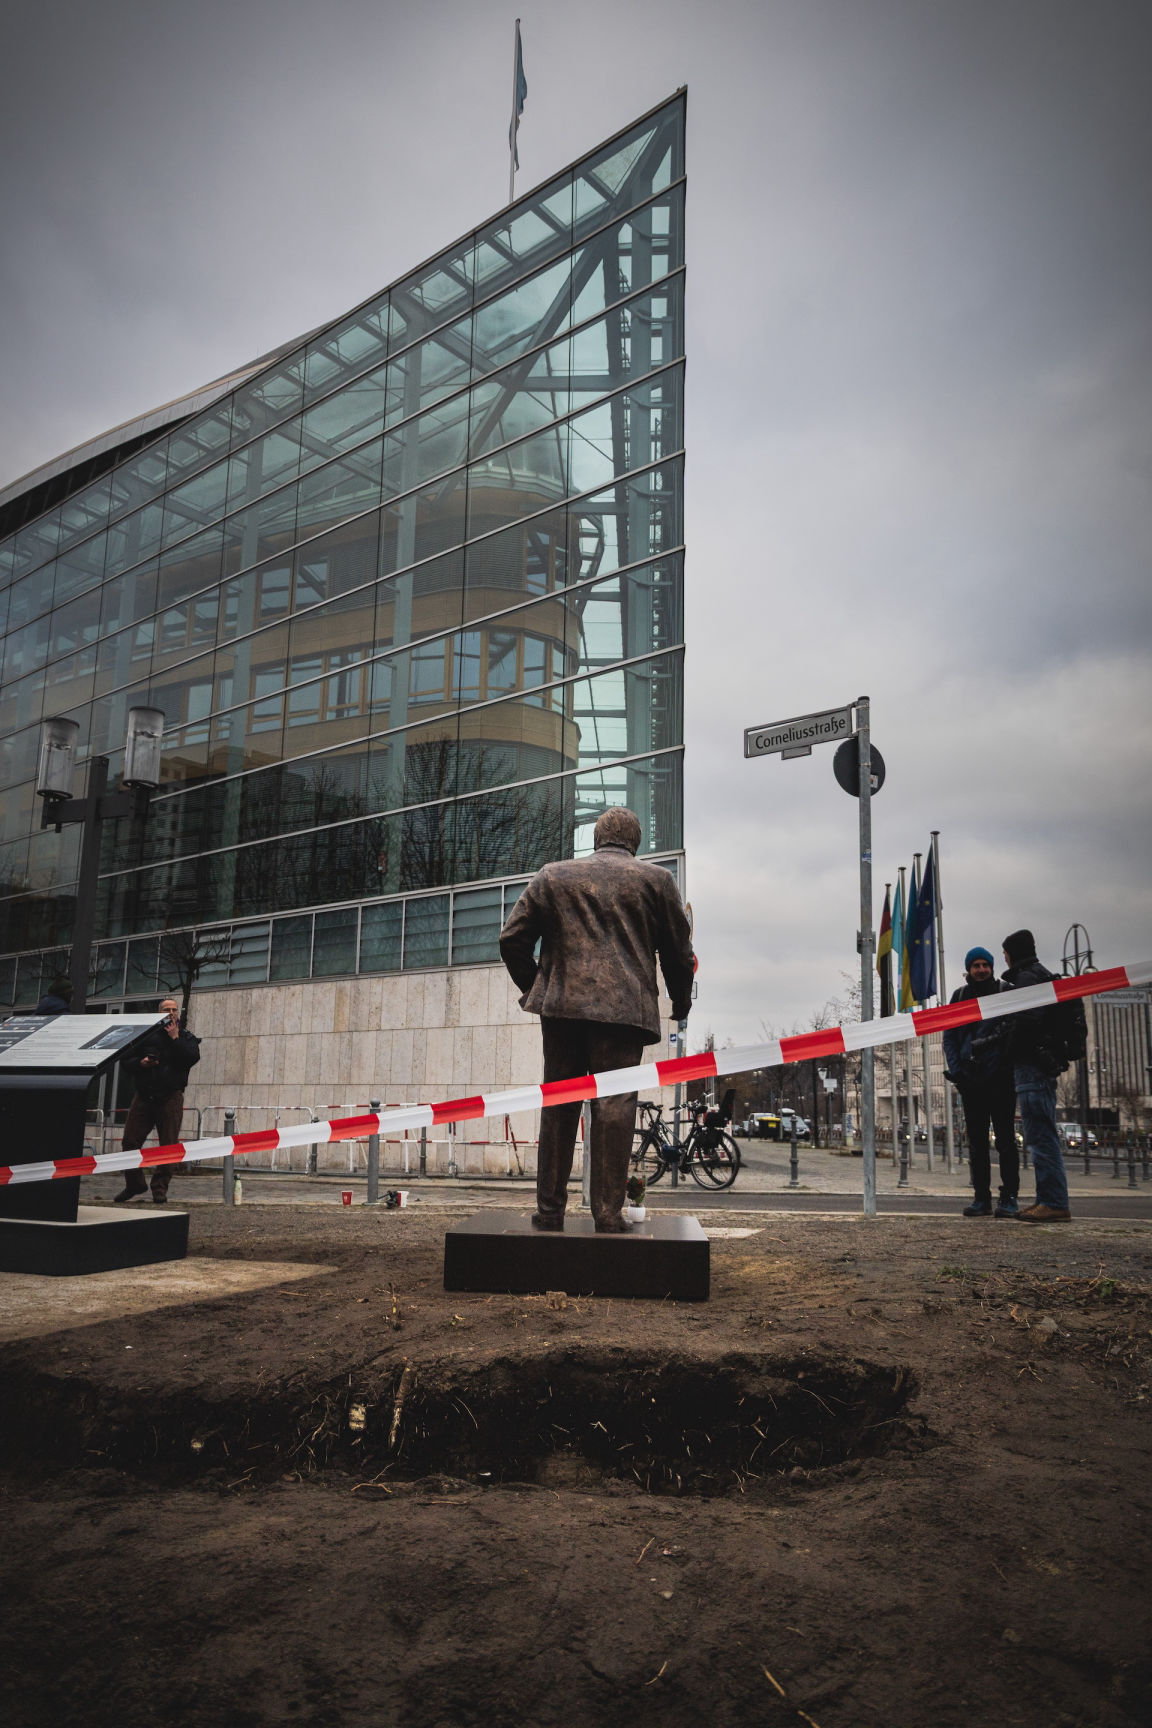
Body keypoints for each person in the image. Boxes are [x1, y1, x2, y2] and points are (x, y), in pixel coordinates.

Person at [498, 807, 695, 1233]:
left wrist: (539, 988)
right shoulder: (656, 881)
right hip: (623, 1015)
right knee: (614, 1108)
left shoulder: (552, 876)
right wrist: (682, 1004)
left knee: (559, 1104)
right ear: (635, 844)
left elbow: (512, 939)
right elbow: (679, 954)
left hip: (563, 1011)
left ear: (596, 839)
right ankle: (608, 1213)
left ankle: (549, 1211)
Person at [1001, 929, 1080, 1223]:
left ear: (1013, 953)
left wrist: (1009, 1048)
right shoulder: (1041, 975)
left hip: (1032, 1066)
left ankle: (1053, 1201)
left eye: (1005, 953)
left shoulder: (1026, 979)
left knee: (1040, 1137)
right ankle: (1047, 1199)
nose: (1004, 959)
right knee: (1040, 1135)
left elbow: (1027, 1023)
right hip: (1040, 1065)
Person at [942, 946, 1018, 1217]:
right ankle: (981, 1198)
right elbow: (949, 1036)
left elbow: (1014, 1031)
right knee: (976, 1142)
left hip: (1001, 1080)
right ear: (969, 969)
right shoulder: (959, 996)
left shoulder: (1005, 992)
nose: (981, 969)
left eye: (985, 964)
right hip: (971, 1081)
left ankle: (1009, 1198)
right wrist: (958, 1070)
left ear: (992, 967)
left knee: (1006, 1141)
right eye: (976, 965)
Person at [113, 998, 201, 1205]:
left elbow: (191, 1058)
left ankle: (159, 1188)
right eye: (166, 1009)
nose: (170, 1013)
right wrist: (141, 1063)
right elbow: (125, 1060)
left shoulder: (186, 1037)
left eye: (173, 1009)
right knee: (130, 1141)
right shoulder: (144, 1036)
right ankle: (134, 1183)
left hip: (170, 1096)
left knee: (168, 1145)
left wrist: (175, 1038)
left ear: (178, 1013)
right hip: (144, 1096)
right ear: (158, 1012)